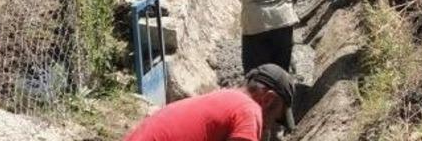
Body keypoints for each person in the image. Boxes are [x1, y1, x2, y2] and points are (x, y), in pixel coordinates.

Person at [122, 63, 295, 141]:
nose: (270, 126)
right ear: (268, 99)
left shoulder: (224, 98)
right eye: (275, 118)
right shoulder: (248, 110)